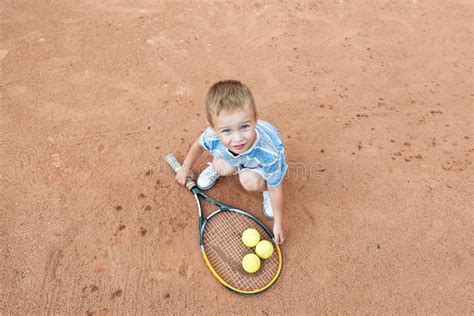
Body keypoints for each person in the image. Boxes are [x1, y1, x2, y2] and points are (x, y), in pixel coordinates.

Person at [174, 80, 288, 244]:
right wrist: (185, 168)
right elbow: (199, 144)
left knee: (250, 181)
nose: (238, 138)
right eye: (227, 130)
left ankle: (263, 190)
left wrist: (278, 223)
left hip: (256, 164)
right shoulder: (212, 135)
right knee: (221, 166)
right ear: (213, 128)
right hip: (236, 157)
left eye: (245, 127)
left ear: (255, 120)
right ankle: (216, 167)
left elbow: (276, 188)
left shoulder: (269, 153)